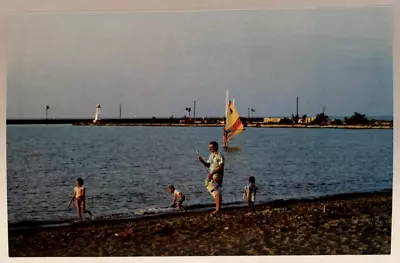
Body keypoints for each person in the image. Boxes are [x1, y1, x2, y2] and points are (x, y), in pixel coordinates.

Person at [198, 141, 225, 214]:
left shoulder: (219, 155)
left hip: (217, 176)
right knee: (213, 190)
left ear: (215, 147)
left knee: (216, 192)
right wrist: (202, 161)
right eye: (209, 147)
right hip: (212, 175)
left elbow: (221, 167)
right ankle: (218, 208)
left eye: (211, 147)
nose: (210, 149)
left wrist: (212, 172)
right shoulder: (211, 155)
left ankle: (218, 209)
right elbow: (208, 165)